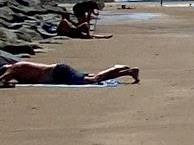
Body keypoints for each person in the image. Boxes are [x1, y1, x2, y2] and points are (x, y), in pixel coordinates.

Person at [2, 60, 140, 87]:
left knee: (94, 79)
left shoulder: (14, 68)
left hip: (57, 73)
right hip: (58, 71)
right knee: (94, 78)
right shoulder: (17, 66)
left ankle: (116, 68)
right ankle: (127, 72)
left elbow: (2, 80)